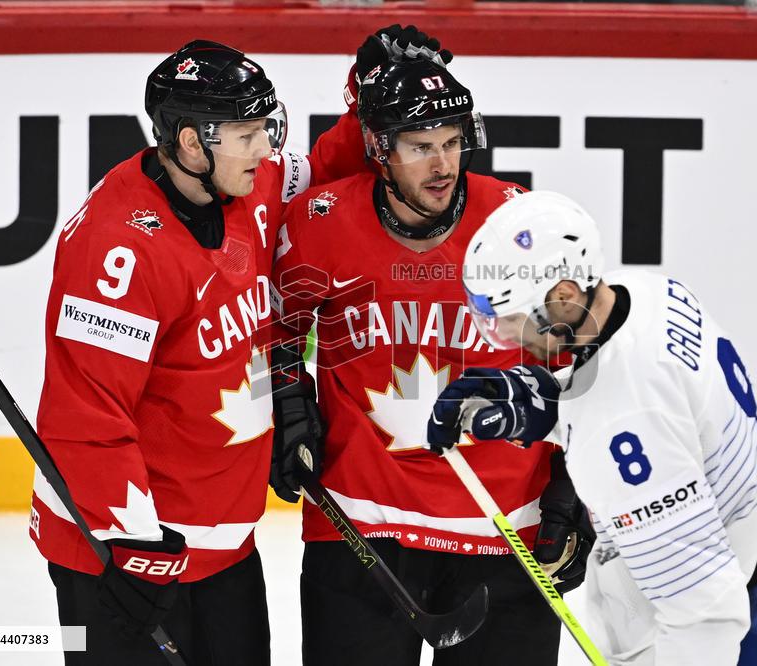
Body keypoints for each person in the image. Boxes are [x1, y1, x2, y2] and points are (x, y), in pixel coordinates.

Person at [31, 31, 446, 665]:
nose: (267, 148)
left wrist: (372, 99)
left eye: (264, 128)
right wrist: (134, 545)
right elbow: (86, 417)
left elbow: (329, 177)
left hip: (224, 544)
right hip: (120, 551)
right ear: (193, 142)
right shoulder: (117, 250)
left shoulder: (250, 185)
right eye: (247, 133)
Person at [270, 57, 593, 666]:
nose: (443, 165)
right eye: (421, 147)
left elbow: (577, 365)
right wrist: (288, 400)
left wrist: (571, 485)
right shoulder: (319, 223)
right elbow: (274, 328)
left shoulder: (517, 224)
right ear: (378, 148)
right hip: (362, 526)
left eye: (451, 143)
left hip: (504, 531)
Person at [426, 190, 757, 665]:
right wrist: (550, 401)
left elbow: (706, 614)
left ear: (562, 297)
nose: (506, 338)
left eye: (512, 320)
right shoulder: (642, 292)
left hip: (691, 644)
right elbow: (653, 402)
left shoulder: (621, 429)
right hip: (750, 588)